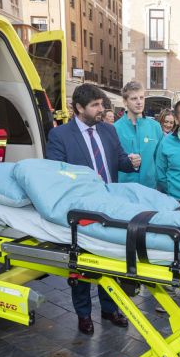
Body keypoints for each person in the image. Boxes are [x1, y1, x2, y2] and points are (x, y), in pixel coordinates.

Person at [46, 83, 141, 335]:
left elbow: (119, 161)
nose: (102, 109)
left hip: (111, 208)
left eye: (102, 104)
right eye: (95, 105)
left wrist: (131, 164)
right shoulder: (60, 136)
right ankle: (83, 315)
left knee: (111, 260)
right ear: (79, 108)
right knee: (81, 265)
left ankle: (109, 309)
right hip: (82, 212)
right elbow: (56, 175)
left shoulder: (109, 131)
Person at [114, 81, 163, 189]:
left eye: (141, 97)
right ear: (125, 102)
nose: (139, 102)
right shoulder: (115, 128)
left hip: (151, 188)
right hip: (124, 190)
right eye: (134, 98)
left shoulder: (155, 127)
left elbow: (160, 160)